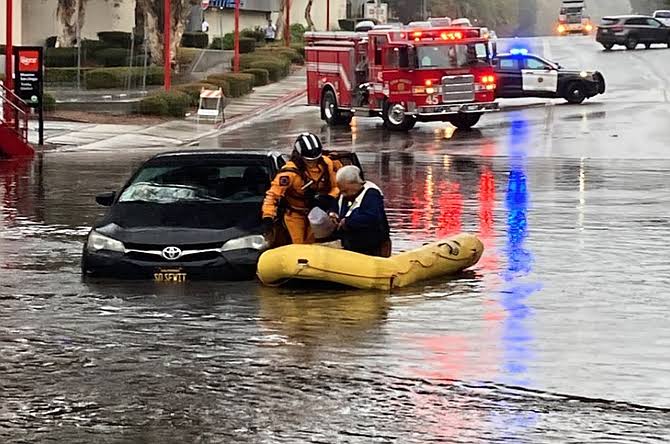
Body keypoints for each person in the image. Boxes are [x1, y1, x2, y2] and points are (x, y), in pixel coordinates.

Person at [262, 133, 339, 245]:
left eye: (316, 159)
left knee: (316, 244)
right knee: (299, 245)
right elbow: (273, 196)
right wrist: (268, 217)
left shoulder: (327, 164)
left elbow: (337, 186)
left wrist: (328, 198)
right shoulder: (288, 174)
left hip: (318, 213)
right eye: (309, 161)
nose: (313, 163)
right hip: (295, 215)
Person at [329, 165, 391, 257]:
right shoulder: (344, 195)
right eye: (342, 191)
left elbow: (371, 217)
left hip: (372, 245)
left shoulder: (372, 194)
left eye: (346, 191)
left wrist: (347, 221)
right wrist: (333, 213)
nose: (343, 194)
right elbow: (334, 205)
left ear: (356, 184)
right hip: (350, 244)